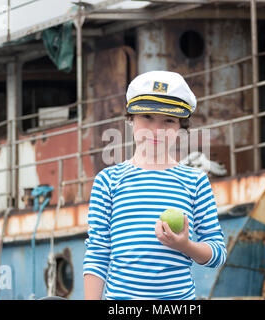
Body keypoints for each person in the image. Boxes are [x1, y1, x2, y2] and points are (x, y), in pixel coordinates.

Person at [83, 70, 226, 300]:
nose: (156, 130)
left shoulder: (195, 182)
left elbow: (218, 253)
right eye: (147, 117)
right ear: (130, 120)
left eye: (168, 121)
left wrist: (185, 245)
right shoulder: (107, 181)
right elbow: (97, 254)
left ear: (180, 126)